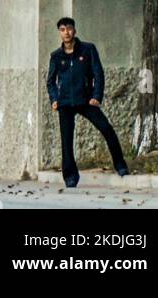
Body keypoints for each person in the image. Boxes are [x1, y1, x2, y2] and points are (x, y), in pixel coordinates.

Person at [47, 17, 129, 187]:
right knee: (66, 141)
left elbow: (98, 74)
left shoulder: (88, 50)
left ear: (74, 30)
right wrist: (54, 99)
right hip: (65, 103)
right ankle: (70, 176)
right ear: (59, 33)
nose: (66, 32)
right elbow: (51, 81)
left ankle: (120, 165)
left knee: (106, 129)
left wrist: (96, 96)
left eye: (69, 28)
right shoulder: (56, 56)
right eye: (62, 29)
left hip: (85, 100)